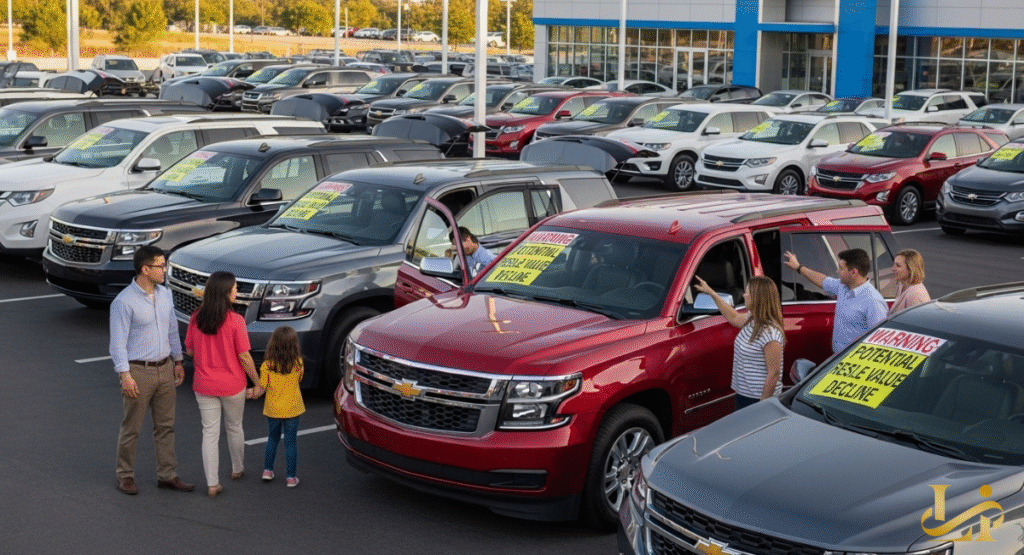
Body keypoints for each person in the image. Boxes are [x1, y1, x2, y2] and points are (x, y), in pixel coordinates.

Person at [110, 245, 194, 495]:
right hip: (139, 372)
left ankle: (167, 475)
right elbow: (117, 344)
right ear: (145, 269)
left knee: (166, 426)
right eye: (161, 266)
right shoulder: (123, 302)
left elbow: (171, 330)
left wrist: (178, 361)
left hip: (165, 368)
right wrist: (125, 376)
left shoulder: (165, 294)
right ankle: (125, 475)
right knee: (132, 427)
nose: (165, 270)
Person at [184, 271, 263, 498]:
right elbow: (245, 357)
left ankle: (212, 483)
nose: (237, 292)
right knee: (234, 427)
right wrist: (257, 383)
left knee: (209, 433)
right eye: (235, 288)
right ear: (226, 293)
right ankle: (237, 468)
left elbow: (189, 350)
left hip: (204, 384)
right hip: (232, 385)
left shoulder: (196, 317)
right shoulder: (236, 321)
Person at [693, 275, 786, 410]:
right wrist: (711, 293)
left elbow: (774, 374)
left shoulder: (770, 333)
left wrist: (761, 407)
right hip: (744, 395)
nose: (744, 295)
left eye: (747, 292)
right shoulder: (752, 320)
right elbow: (734, 316)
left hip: (757, 400)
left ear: (757, 298)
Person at [783, 248, 887, 354]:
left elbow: (879, 344)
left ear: (854, 272)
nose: (837, 271)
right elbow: (822, 279)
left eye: (841, 268)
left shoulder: (873, 301)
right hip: (838, 359)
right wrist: (798, 267)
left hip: (856, 365)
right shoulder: (843, 287)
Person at [259, 326, 306, 488]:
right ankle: (291, 478)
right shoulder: (298, 363)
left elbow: (263, 386)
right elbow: (299, 380)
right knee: (291, 442)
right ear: (294, 345)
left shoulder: (266, 366)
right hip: (293, 409)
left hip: (273, 409)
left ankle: (267, 470)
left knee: (272, 438)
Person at [890, 249, 930, 313]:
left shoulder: (916, 295)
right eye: (894, 264)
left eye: (898, 265)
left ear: (911, 269)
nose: (893, 269)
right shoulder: (902, 286)